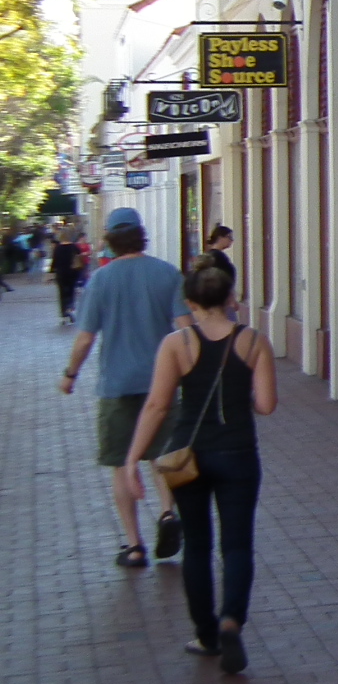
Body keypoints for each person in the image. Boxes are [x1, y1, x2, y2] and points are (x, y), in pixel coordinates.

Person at [123, 254, 276, 674]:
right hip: (238, 453)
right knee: (238, 544)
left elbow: (157, 405)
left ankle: (206, 634)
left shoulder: (177, 344)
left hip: (187, 456)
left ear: (190, 303)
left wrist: (133, 458)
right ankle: (231, 620)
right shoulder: (253, 341)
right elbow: (266, 405)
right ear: (230, 297)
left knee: (197, 545)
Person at [57, 208, 192, 566]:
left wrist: (70, 374)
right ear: (141, 235)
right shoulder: (167, 273)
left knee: (120, 462)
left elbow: (86, 338)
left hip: (116, 385)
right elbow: (185, 327)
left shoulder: (101, 280)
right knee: (164, 456)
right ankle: (167, 512)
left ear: (110, 240)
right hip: (161, 383)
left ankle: (134, 546)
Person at [49, 225, 81, 324]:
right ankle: (70, 308)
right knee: (71, 291)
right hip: (72, 273)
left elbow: (54, 262)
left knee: (62, 293)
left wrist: (51, 272)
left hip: (61, 273)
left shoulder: (58, 248)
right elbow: (79, 259)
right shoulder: (74, 247)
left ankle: (64, 313)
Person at [204, 225, 239, 314]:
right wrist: (231, 298)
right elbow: (223, 279)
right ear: (220, 238)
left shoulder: (212, 256)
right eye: (229, 237)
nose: (231, 240)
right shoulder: (218, 257)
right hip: (222, 301)